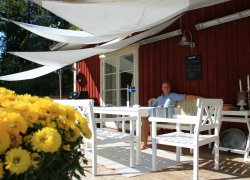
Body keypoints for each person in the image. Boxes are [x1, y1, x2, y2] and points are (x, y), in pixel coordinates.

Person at [141, 81, 202, 150]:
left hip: (166, 117)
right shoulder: (159, 98)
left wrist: (198, 97)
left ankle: (143, 142)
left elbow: (185, 97)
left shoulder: (172, 96)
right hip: (156, 116)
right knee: (144, 119)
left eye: (167, 87)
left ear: (170, 88)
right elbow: (151, 107)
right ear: (162, 88)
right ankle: (144, 142)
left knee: (143, 119)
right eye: (164, 87)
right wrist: (157, 107)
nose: (165, 89)